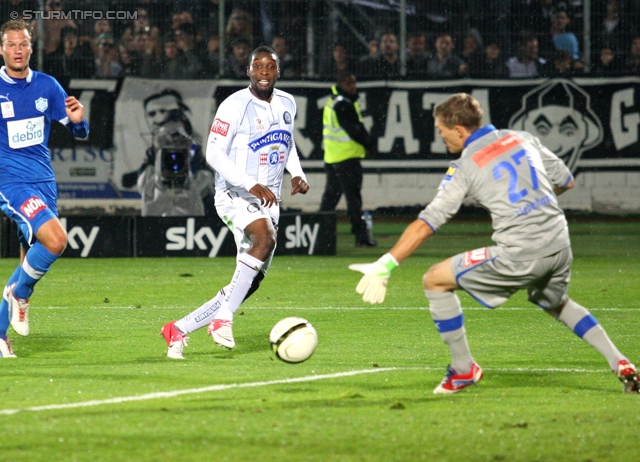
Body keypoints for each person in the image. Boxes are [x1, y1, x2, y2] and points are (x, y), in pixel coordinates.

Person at [350, 93, 640, 395]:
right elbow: (566, 180)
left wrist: (386, 264)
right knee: (555, 302)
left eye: (441, 130)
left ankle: (463, 370)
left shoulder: (464, 166)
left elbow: (427, 223)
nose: (441, 138)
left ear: (459, 130)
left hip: (521, 252)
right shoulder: (521, 137)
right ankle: (621, 362)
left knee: (434, 280)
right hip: (559, 243)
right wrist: (532, 204)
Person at [161, 45, 309, 359]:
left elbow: (288, 141)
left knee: (248, 283)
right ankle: (223, 320)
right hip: (235, 193)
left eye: (270, 67)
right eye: (258, 67)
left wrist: (296, 173)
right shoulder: (234, 105)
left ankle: (179, 329)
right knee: (263, 239)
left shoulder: (288, 103)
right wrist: (249, 183)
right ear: (248, 72)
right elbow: (213, 153)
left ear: (278, 72)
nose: (264, 73)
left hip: (270, 199)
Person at [0, 19, 89, 358]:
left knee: (26, 264)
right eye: (11, 44)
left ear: (31, 48)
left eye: (22, 44)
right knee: (56, 240)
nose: (17, 50)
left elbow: (77, 129)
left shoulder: (47, 86)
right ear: (2, 49)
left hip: (44, 182)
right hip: (11, 182)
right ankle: (21, 296)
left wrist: (80, 122)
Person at [319, 73, 376, 248]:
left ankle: (319, 233)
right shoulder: (343, 104)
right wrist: (368, 144)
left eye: (354, 82)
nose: (353, 86)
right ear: (341, 84)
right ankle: (361, 236)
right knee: (353, 199)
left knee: (330, 199)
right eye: (349, 83)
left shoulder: (334, 102)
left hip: (333, 157)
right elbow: (355, 129)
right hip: (347, 158)